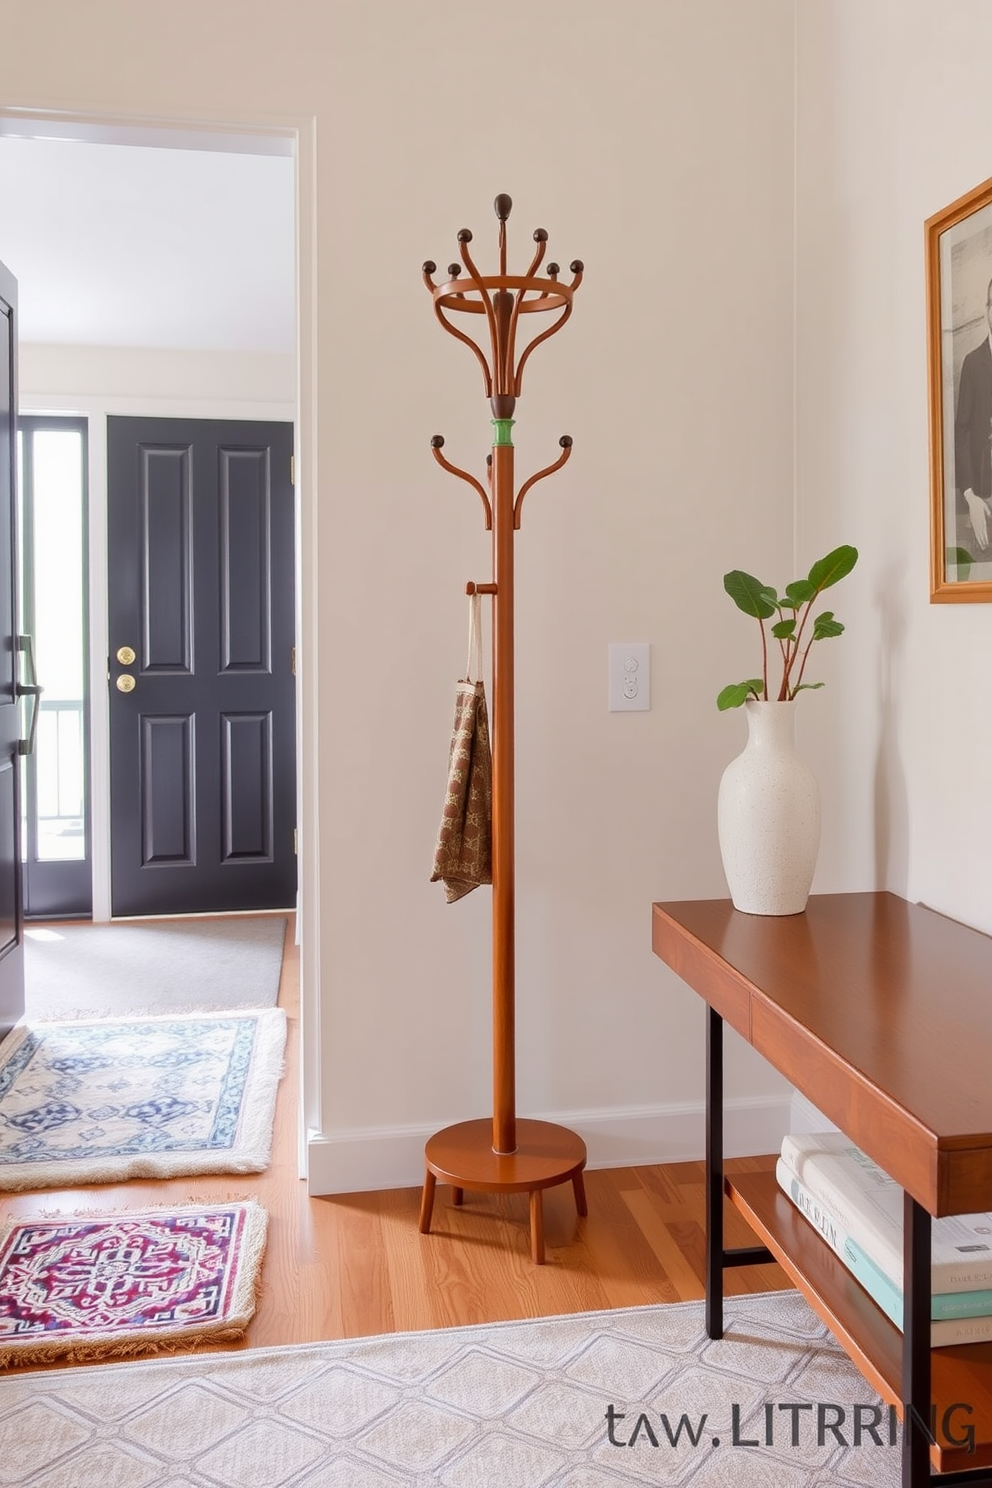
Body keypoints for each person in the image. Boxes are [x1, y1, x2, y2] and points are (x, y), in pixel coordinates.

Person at [954, 277, 992, 551]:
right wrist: (970, 495)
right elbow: (962, 431)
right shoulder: (972, 362)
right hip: (983, 492)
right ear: (986, 310)